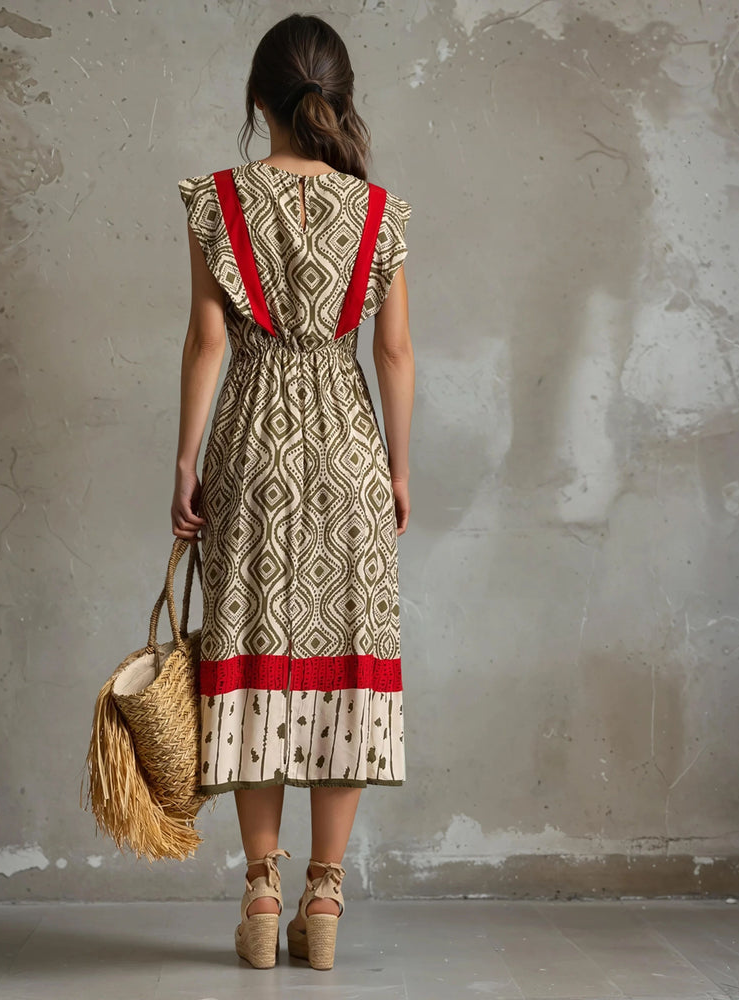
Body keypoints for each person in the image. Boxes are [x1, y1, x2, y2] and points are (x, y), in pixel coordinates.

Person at [171, 13, 414, 971]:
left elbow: (206, 342)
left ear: (256, 102)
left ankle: (262, 891)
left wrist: (185, 461)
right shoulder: (381, 212)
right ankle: (326, 899)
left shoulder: (217, 203)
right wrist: (397, 467)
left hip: (251, 449)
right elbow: (392, 350)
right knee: (345, 655)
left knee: (255, 654)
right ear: (338, 99)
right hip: (349, 446)